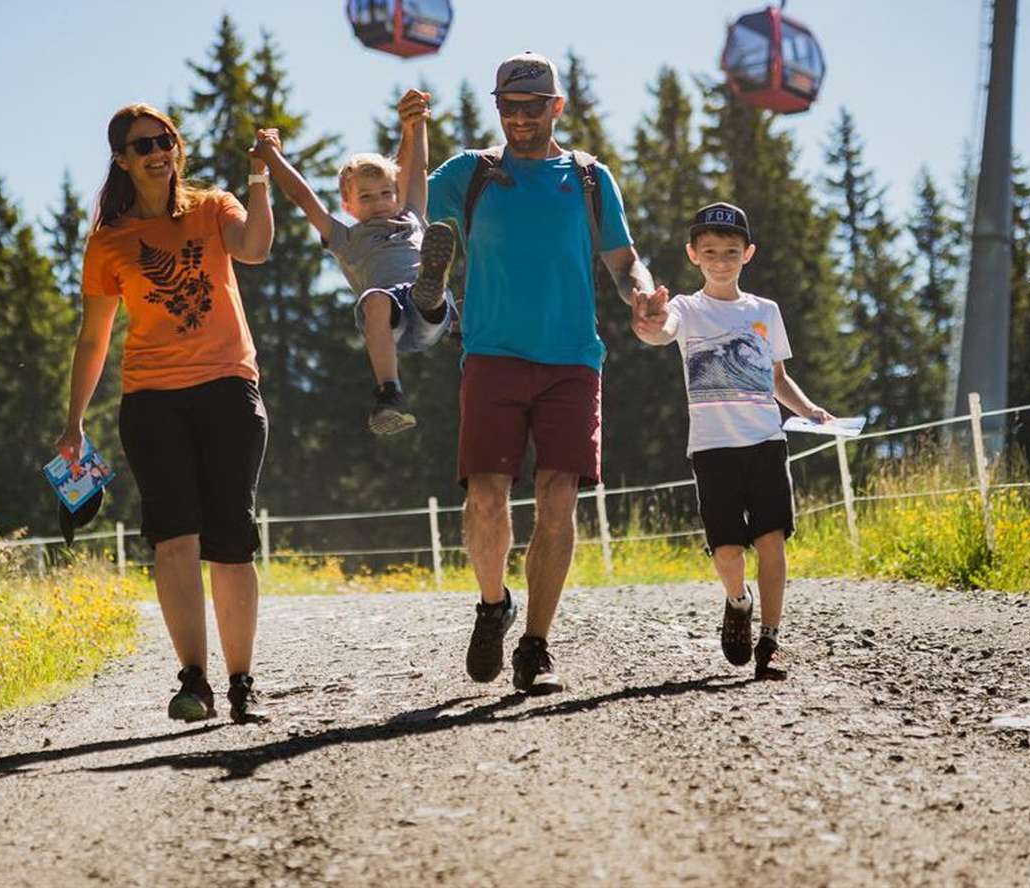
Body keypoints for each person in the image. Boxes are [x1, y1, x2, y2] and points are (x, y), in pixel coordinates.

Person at [426, 51, 661, 694]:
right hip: (491, 353)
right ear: (496, 107)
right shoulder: (469, 174)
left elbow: (622, 261)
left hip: (571, 361)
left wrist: (641, 294)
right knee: (485, 497)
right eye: (509, 107)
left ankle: (535, 645)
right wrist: (410, 135)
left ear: (557, 106)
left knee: (559, 499)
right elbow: (402, 203)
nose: (521, 119)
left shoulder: (588, 178)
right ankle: (492, 604)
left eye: (533, 107)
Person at [55, 103, 273, 724]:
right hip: (150, 402)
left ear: (177, 148)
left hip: (229, 389)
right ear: (122, 160)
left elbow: (254, 249)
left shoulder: (214, 207)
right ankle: (194, 682)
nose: (156, 152)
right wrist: (74, 424)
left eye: (165, 140)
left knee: (231, 541)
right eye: (142, 145)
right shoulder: (109, 242)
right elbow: (93, 339)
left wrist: (260, 177)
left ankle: (242, 683)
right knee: (174, 541)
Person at [632, 202, 834, 679]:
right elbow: (663, 332)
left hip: (766, 441)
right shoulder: (685, 307)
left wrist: (807, 410)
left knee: (771, 541)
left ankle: (770, 640)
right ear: (692, 255)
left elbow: (777, 376)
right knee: (726, 550)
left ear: (748, 254)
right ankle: (737, 602)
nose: (720, 260)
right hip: (712, 448)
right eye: (710, 252)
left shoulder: (765, 311)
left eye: (730, 251)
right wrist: (649, 324)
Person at [252, 90, 458, 434]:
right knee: (375, 298)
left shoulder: (412, 215)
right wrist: (271, 158)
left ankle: (431, 289)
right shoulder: (344, 237)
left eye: (385, 194)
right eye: (365, 196)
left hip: (426, 316)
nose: (378, 202)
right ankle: (389, 394)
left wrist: (417, 122)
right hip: (388, 325)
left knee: (424, 294)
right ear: (347, 205)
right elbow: (303, 196)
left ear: (396, 194)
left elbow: (417, 167)